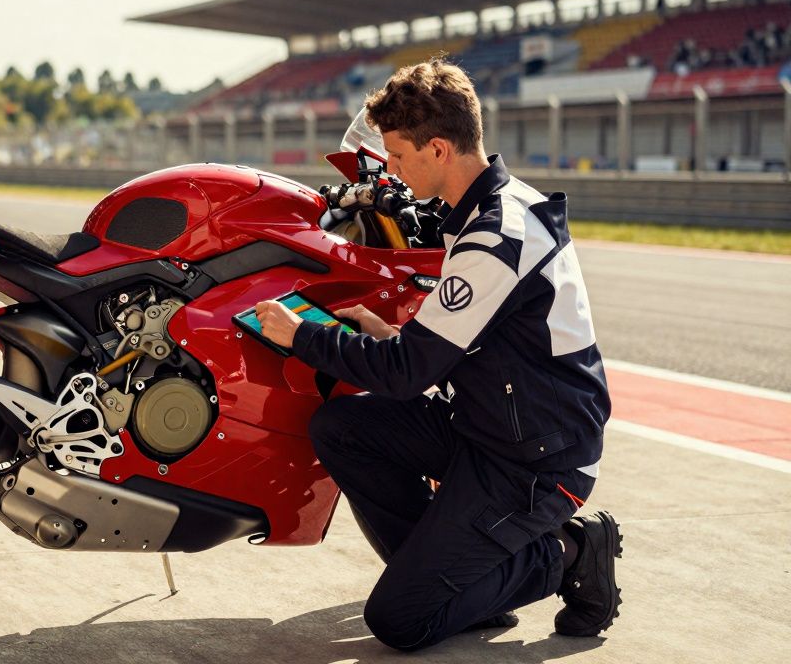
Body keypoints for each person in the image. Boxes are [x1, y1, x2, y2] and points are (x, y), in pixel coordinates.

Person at [254, 59, 620, 651]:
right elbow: (467, 340)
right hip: (488, 428)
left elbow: (406, 375)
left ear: (441, 149)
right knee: (343, 428)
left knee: (400, 622)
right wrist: (379, 331)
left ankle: (572, 551)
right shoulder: (481, 207)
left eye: (398, 156)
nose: (389, 170)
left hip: (536, 464)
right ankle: (466, 585)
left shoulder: (497, 236)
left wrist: (303, 337)